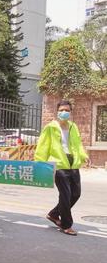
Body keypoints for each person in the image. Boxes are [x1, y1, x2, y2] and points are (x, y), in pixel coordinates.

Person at [35, 100, 89, 236]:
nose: (64, 112)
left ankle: (53, 214)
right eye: (61, 110)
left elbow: (77, 145)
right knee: (65, 195)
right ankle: (66, 225)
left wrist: (83, 156)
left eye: (67, 110)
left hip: (73, 163)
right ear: (57, 112)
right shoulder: (51, 127)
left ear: (71, 112)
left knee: (76, 194)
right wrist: (40, 163)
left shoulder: (73, 127)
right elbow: (43, 146)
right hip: (58, 165)